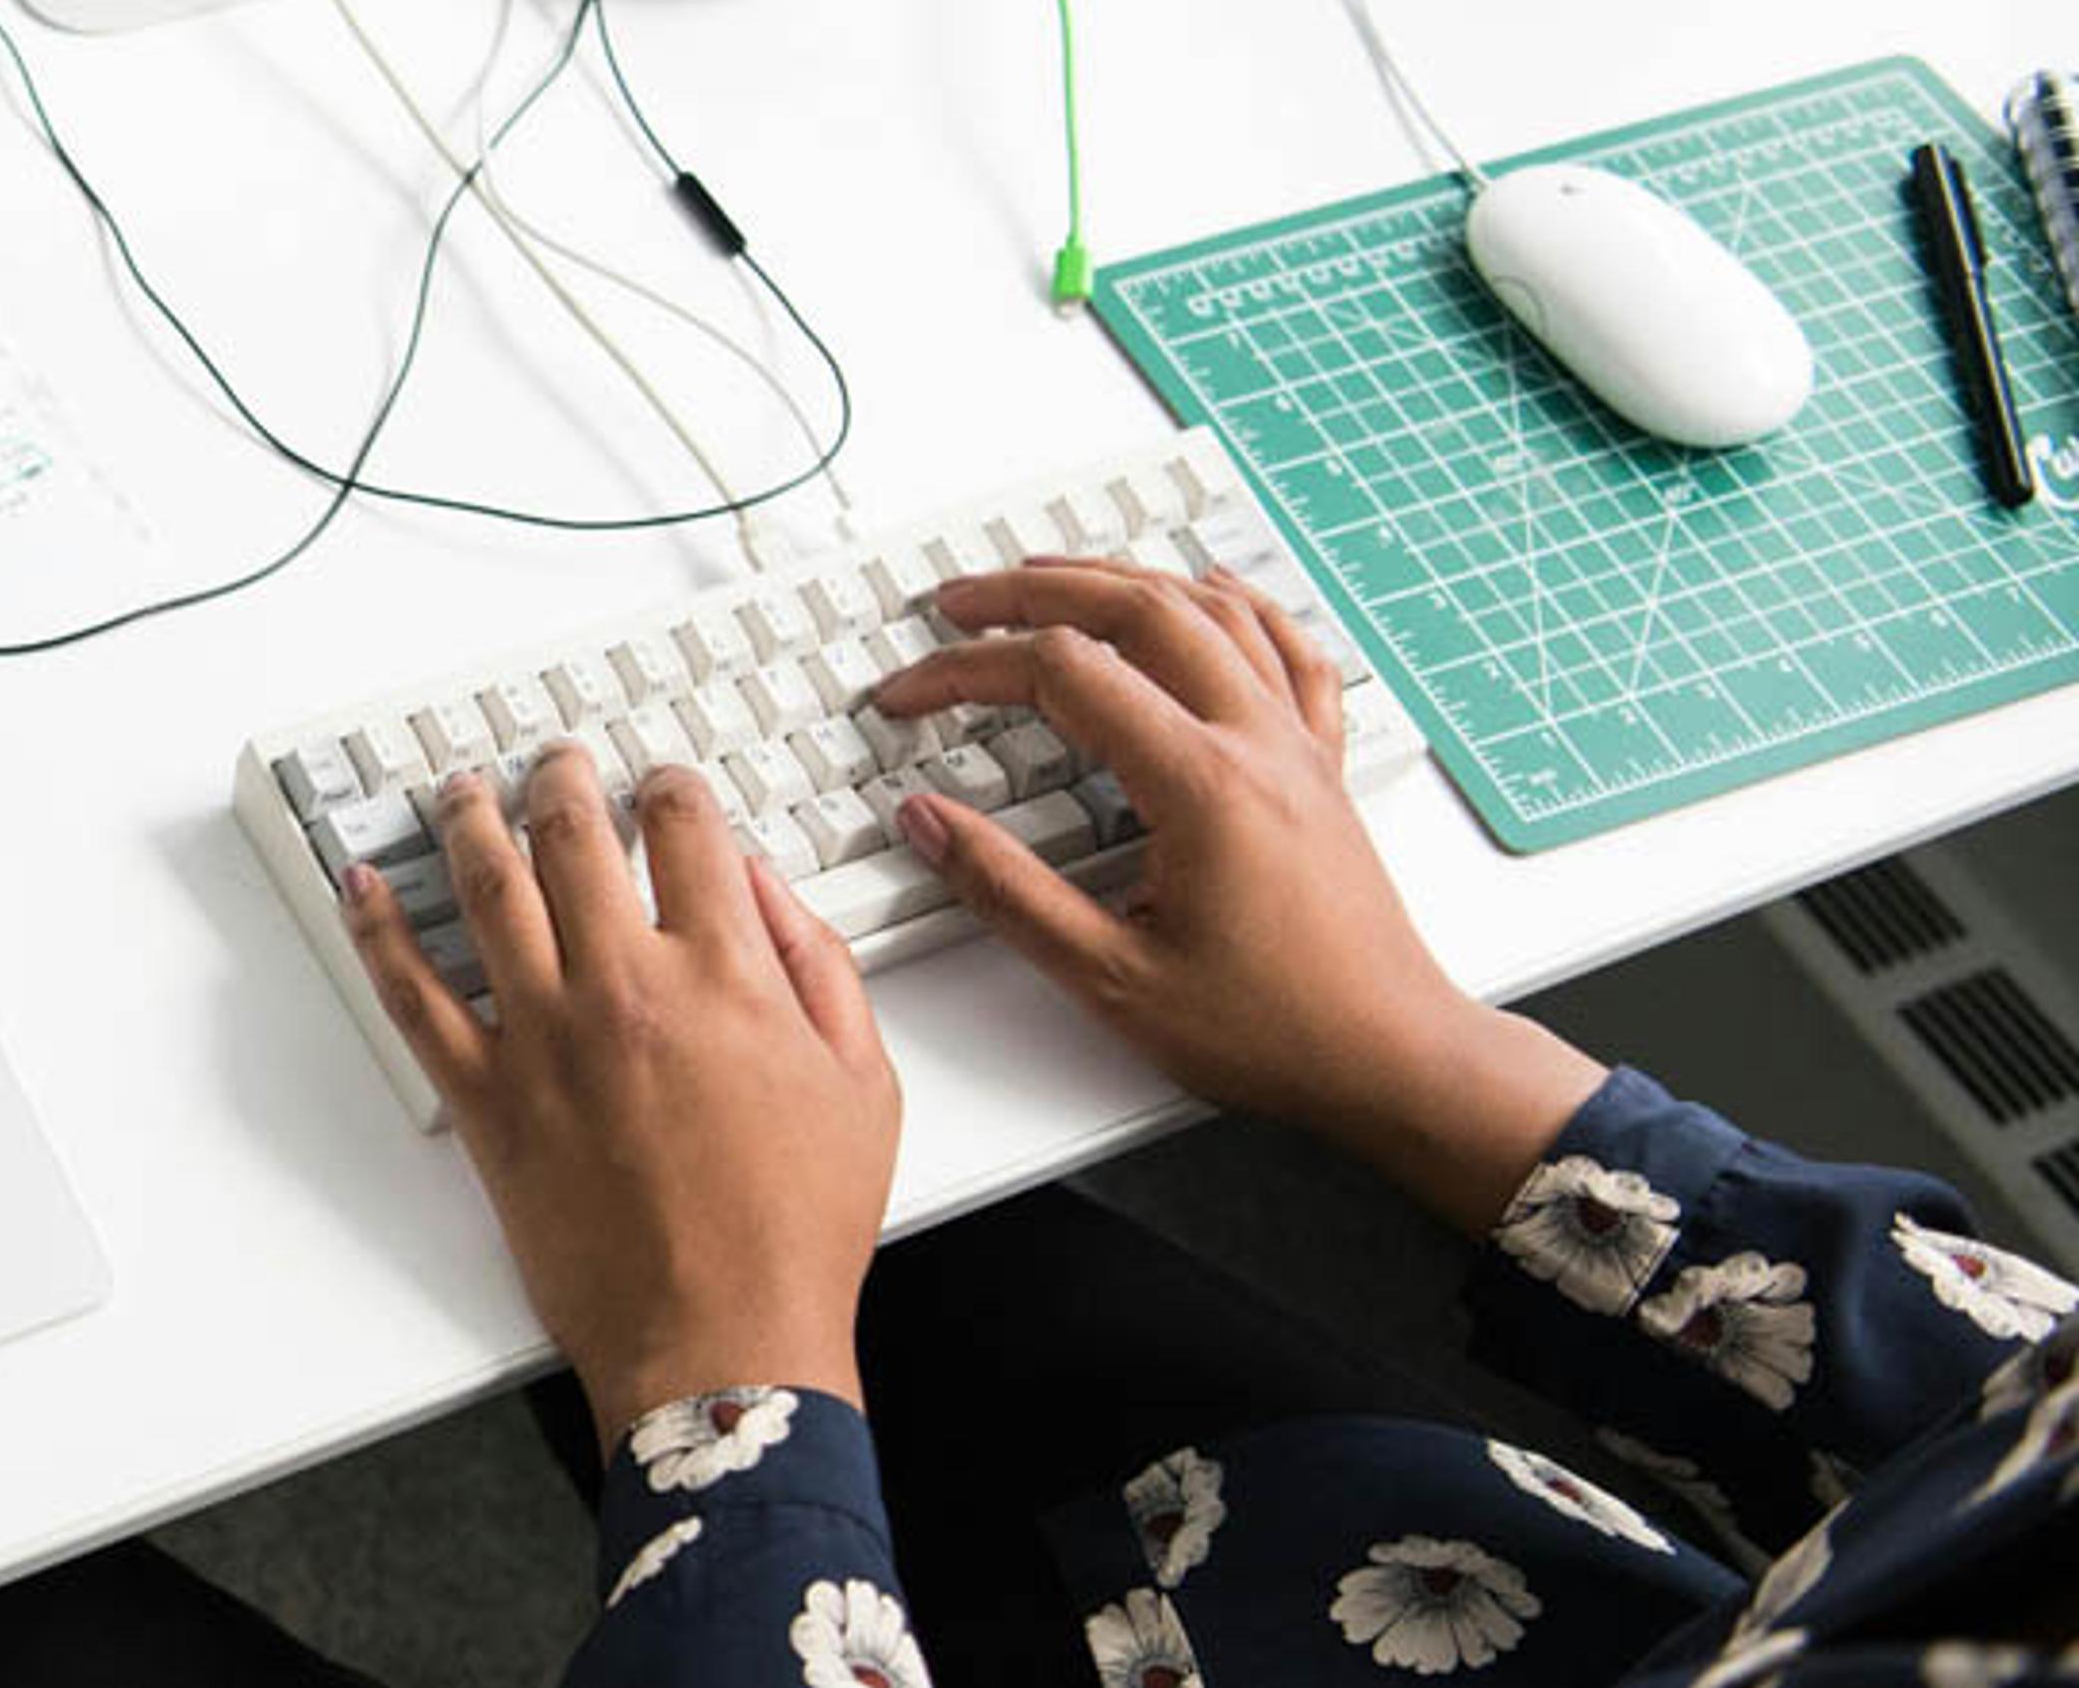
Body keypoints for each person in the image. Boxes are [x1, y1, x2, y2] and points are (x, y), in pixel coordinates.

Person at [334, 557, 2079, 1685]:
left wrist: (720, 1368)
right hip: (1444, 1602)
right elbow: (2023, 1424)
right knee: (718, 1117)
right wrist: (1417, 1047)